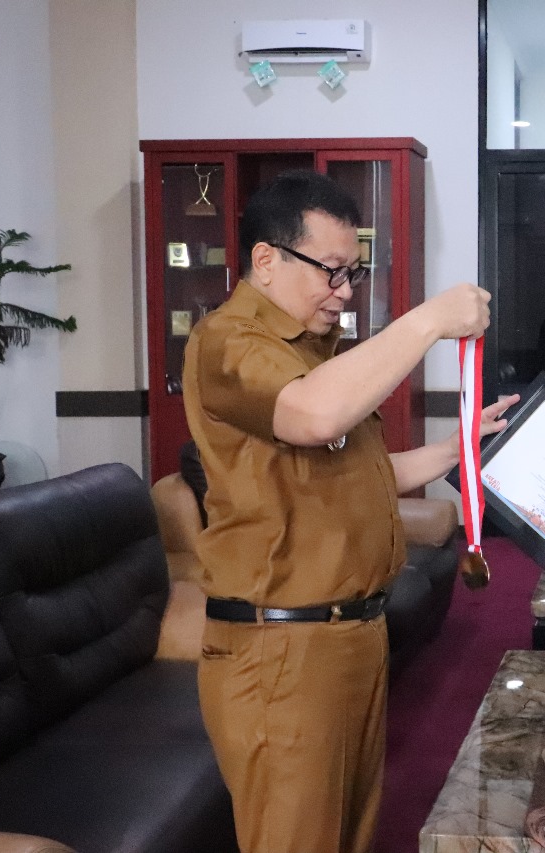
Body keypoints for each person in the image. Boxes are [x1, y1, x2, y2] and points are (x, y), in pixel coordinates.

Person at [182, 169, 517, 853]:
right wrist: (428, 320)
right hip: (283, 649)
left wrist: (458, 446)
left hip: (351, 634)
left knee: (350, 836)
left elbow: (368, 475)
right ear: (266, 260)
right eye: (330, 271)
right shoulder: (227, 342)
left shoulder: (314, 353)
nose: (343, 290)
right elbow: (315, 415)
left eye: (352, 273)